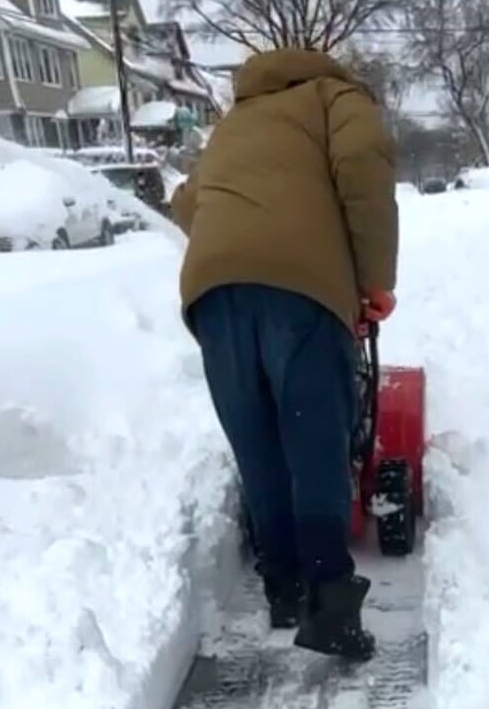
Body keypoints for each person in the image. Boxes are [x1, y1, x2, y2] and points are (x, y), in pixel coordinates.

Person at [170, 47, 399, 662]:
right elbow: (363, 169)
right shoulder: (337, 99)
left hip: (211, 293)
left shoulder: (235, 121)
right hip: (301, 291)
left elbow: (189, 200)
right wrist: (376, 279)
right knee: (314, 441)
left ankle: (283, 587)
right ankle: (328, 602)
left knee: (260, 442)